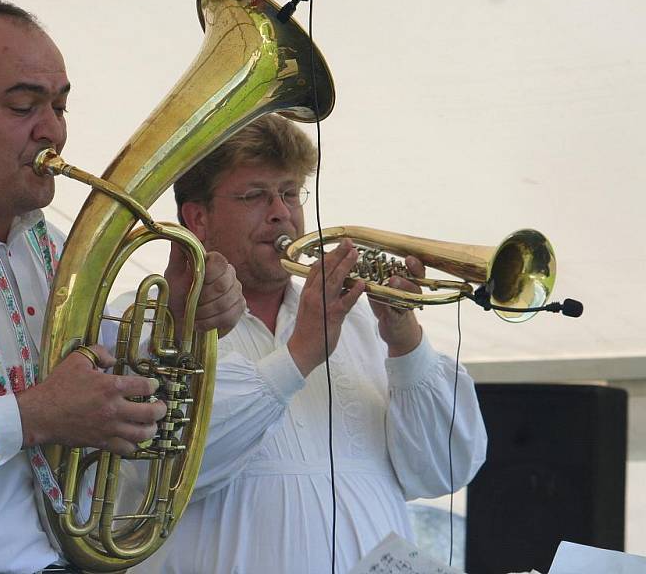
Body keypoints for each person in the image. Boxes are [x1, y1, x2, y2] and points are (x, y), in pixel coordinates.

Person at [0, 2, 243, 574]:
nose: (52, 129)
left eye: (59, 106)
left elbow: (98, 389)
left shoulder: (50, 247)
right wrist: (32, 417)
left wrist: (179, 316)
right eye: (23, 105)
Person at [124, 114, 489, 574]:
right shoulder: (150, 316)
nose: (282, 212)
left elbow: (446, 471)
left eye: (291, 193)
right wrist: (299, 354)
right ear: (197, 218)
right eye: (255, 195)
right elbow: (169, 468)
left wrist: (406, 342)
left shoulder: (358, 318)